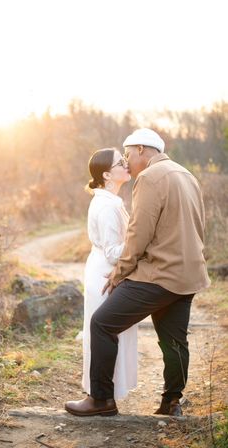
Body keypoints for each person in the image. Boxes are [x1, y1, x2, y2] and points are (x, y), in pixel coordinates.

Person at [65, 128, 210, 417]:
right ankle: (171, 404)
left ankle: (102, 400)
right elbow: (198, 226)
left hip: (158, 276)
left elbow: (138, 233)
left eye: (129, 153)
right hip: (189, 275)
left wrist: (121, 271)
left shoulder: (149, 178)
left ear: (142, 149)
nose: (129, 161)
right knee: (175, 340)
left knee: (102, 324)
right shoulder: (187, 175)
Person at [82, 148, 137, 401]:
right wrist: (144, 244)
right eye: (120, 162)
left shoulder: (111, 200)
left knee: (111, 334)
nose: (126, 164)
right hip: (105, 275)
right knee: (106, 334)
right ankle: (102, 396)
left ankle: (107, 394)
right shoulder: (106, 206)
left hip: (108, 270)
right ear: (106, 174)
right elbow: (114, 252)